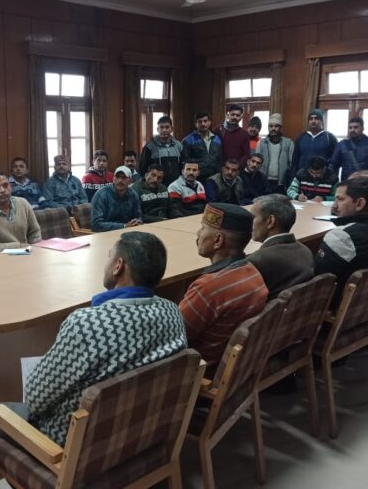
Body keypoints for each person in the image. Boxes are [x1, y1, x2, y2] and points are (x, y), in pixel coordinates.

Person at [22, 232, 187, 445]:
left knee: (2, 419)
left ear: (118, 266)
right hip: (143, 432)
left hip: (79, 444)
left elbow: (35, 399)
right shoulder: (173, 312)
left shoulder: (86, 325)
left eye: (108, 256)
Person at [179, 203, 267, 370]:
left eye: (202, 228)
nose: (198, 234)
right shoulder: (254, 273)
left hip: (200, 370)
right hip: (233, 367)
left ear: (218, 240)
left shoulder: (209, 287)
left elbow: (174, 335)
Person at [314, 178, 368, 300]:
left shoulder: (341, 237)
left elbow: (319, 280)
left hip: (335, 305)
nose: (334, 205)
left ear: (359, 204)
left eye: (340, 199)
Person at [248, 194, 314, 299]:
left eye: (252, 218)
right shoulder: (306, 251)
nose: (248, 223)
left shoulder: (257, 261)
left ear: (270, 221)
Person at [91, 166, 142, 231]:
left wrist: (137, 222)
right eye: (117, 177)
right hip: (105, 234)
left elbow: (138, 216)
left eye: (124, 178)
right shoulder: (101, 195)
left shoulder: (133, 195)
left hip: (128, 232)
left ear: (130, 181)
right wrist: (123, 226)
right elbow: (96, 224)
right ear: (113, 179)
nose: (120, 180)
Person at [138, 115, 183, 185]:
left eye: (167, 127)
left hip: (176, 185)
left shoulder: (178, 145)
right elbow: (142, 167)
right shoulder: (149, 146)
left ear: (172, 129)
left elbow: (182, 166)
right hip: (156, 185)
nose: (164, 130)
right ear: (157, 129)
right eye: (161, 127)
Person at [181, 111, 222, 183]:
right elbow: (185, 161)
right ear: (196, 124)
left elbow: (219, 159)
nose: (203, 124)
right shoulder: (187, 140)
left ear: (210, 122)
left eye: (205, 121)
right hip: (196, 178)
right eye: (200, 122)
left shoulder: (217, 139)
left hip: (215, 177)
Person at [292, 109, 338, 173]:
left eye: (316, 118)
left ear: (321, 121)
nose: (313, 121)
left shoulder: (330, 138)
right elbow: (295, 160)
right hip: (302, 177)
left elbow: (334, 161)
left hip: (321, 178)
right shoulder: (301, 137)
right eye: (311, 119)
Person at [258, 113, 294, 194]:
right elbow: (257, 162)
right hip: (264, 182)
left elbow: (292, 164)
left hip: (281, 183)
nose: (273, 128)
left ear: (281, 128)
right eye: (271, 126)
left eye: (276, 126)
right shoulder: (261, 143)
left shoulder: (288, 143)